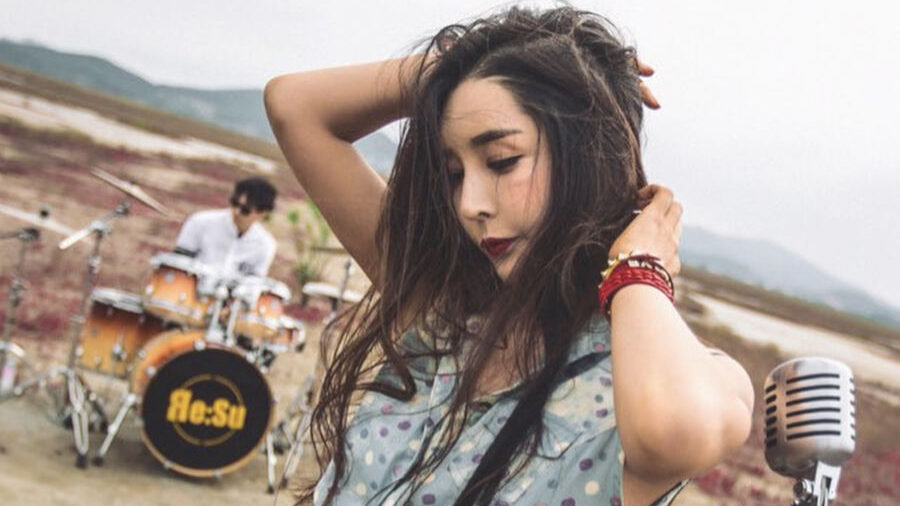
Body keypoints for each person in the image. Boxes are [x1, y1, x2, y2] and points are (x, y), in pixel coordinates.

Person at [265, 6, 753, 506]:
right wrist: (457, 66)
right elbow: (294, 105)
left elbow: (671, 430)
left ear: (587, 153)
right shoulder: (440, 312)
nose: (468, 203)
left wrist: (638, 267)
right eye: (455, 173)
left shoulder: (654, 379)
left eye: (501, 162)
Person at [174, 176, 277, 277]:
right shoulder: (200, 221)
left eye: (245, 210)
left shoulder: (265, 244)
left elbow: (254, 284)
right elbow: (177, 263)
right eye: (235, 203)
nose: (236, 212)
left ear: (263, 213)